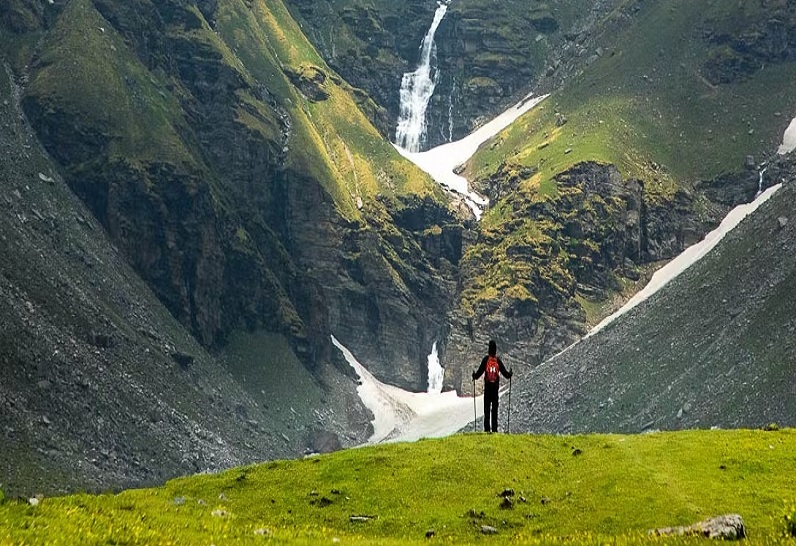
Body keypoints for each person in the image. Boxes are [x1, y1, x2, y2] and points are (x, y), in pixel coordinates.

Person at [472, 340, 512, 433]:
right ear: (496, 349)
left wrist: (474, 376)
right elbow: (506, 374)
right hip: (495, 390)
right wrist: (510, 374)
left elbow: (479, 373)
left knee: (486, 409)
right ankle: (494, 430)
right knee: (494, 410)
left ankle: (487, 429)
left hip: (488, 389)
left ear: (489, 349)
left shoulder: (486, 360)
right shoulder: (498, 360)